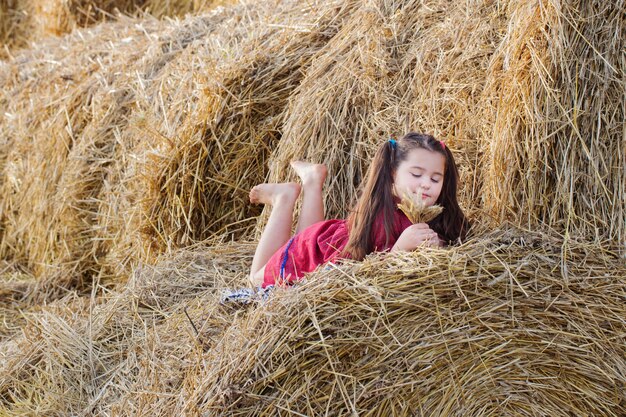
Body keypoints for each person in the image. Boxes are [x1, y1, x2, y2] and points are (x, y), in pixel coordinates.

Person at [248, 132, 469, 288]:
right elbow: (362, 275)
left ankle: (313, 181)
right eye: (416, 174)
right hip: (321, 253)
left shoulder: (433, 214)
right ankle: (283, 199)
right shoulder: (383, 216)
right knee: (255, 283)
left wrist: (438, 243)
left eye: (435, 178)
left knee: (307, 235)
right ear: (393, 173)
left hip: (319, 241)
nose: (426, 184)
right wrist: (399, 250)